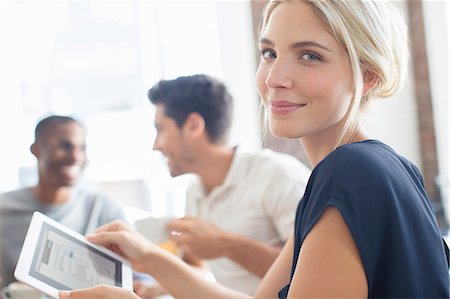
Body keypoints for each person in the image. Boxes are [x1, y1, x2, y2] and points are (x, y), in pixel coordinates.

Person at [59, 1, 450, 298]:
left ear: (368, 76)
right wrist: (151, 258)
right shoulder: (372, 168)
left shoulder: (348, 173)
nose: (275, 78)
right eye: (269, 53)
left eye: (309, 56)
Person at [133, 74, 310, 297]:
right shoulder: (195, 190)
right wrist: (154, 289)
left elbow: (311, 268)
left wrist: (225, 245)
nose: (155, 145)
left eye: (161, 129)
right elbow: (197, 266)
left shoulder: (277, 175)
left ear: (193, 126)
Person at [0, 115, 124, 288]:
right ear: (36, 149)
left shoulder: (104, 208)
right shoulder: (4, 209)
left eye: (82, 148)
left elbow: (133, 280)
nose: (75, 156)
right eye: (65, 146)